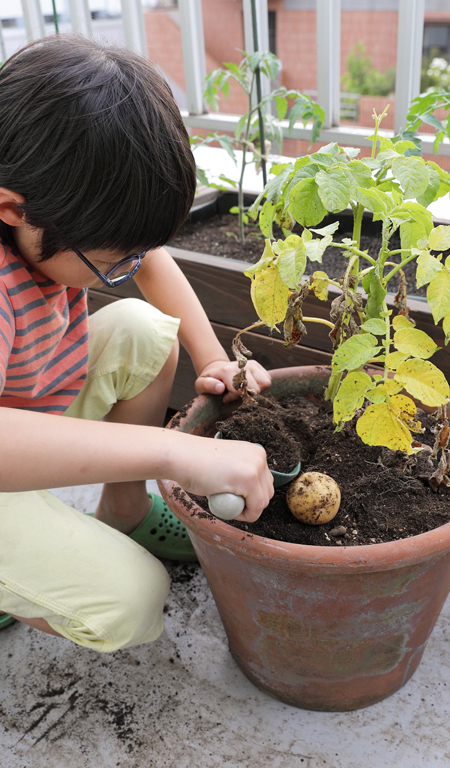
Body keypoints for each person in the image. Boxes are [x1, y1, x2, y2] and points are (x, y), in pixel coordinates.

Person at [0, 35, 274, 652]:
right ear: (13, 209)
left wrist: (215, 362)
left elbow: (149, 262)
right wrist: (168, 454)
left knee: (147, 332)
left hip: (21, 404)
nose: (128, 267)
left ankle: (123, 511)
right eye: (108, 263)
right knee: (131, 601)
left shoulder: (44, 204)